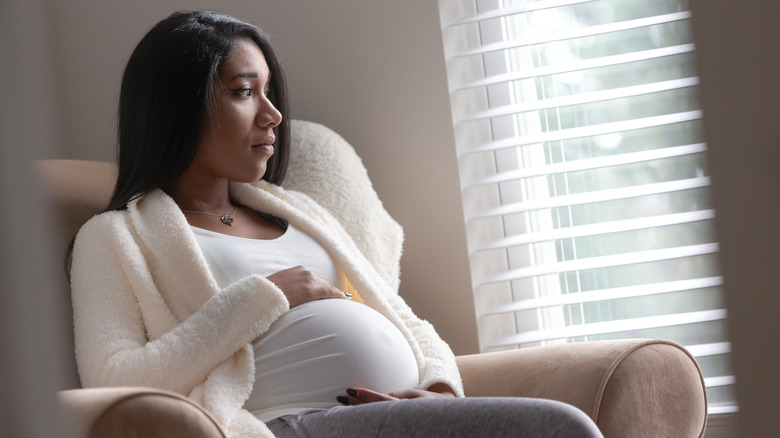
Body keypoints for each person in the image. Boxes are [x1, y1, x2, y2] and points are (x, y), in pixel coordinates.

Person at [69, 10, 604, 438]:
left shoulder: (299, 213)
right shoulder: (115, 237)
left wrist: (439, 389)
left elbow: (401, 316)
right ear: (177, 107)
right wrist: (269, 294)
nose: (273, 114)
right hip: (289, 422)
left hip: (379, 417)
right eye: (243, 91)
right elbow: (116, 381)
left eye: (269, 91)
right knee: (562, 429)